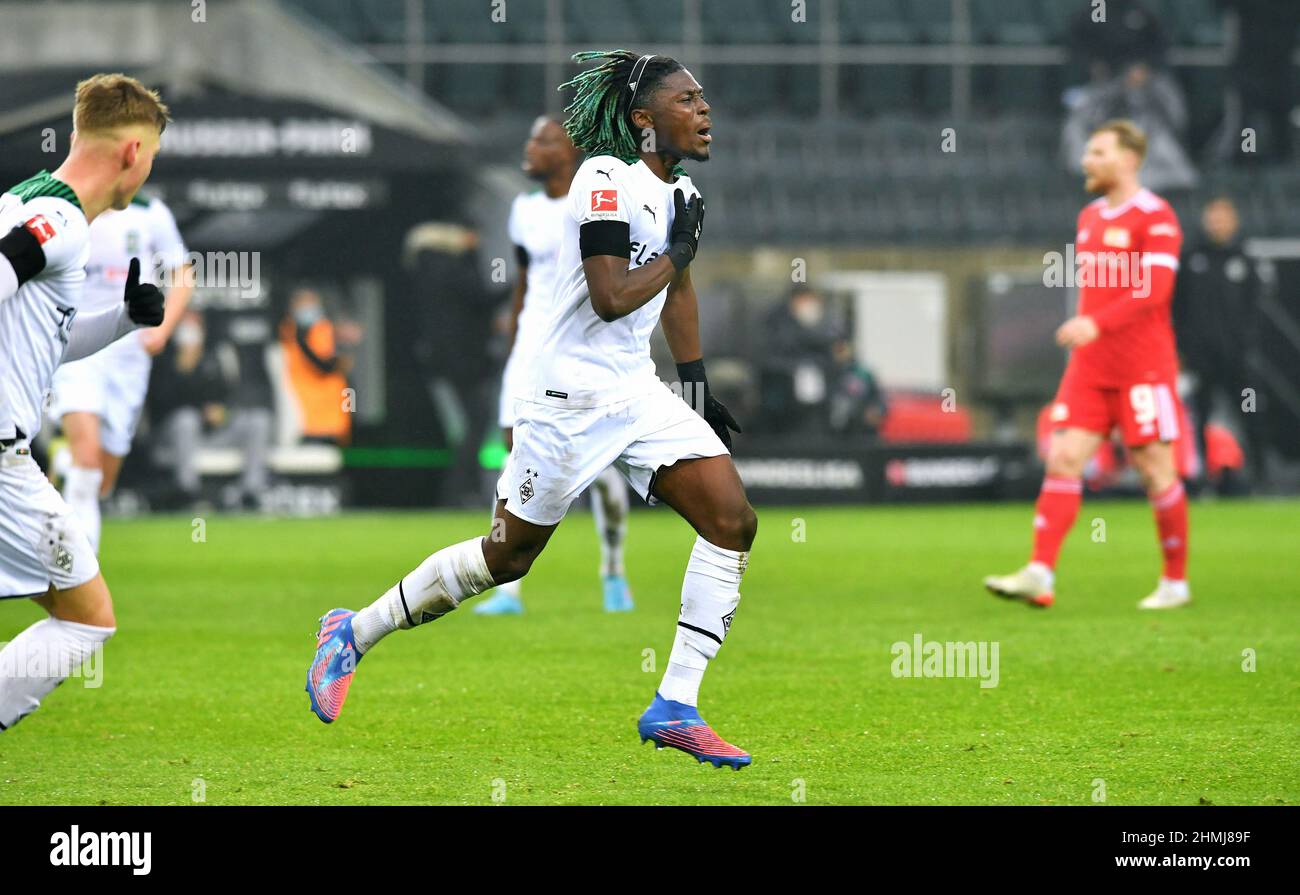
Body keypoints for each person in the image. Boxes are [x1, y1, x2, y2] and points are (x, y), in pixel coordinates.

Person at [306, 50, 757, 769]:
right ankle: (352, 632)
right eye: (689, 101)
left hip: (635, 391)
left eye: (704, 101)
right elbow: (611, 295)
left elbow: (679, 292)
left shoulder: (680, 194)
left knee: (732, 519)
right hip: (566, 398)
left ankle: (675, 703)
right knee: (505, 558)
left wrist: (696, 385)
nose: (705, 111)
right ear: (644, 118)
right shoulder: (603, 179)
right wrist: (676, 253)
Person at [0, 74, 168, 731]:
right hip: (4, 464)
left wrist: (123, 319)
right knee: (86, 616)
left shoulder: (21, 199)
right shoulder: (62, 221)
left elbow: (43, 345)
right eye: (151, 155)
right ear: (132, 153)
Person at [985, 120, 1191, 611]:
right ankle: (1040, 571)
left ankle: (1175, 581)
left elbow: (1154, 291)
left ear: (1129, 158)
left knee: (1154, 469)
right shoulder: (1090, 217)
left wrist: (1096, 323)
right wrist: (1088, 330)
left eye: (1098, 152)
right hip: (1090, 369)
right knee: (1063, 459)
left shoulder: (1156, 216)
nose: (1086, 161)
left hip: (1142, 369)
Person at [475, 115, 635, 616]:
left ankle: (612, 570)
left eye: (541, 140)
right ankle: (507, 590)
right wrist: (515, 333)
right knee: (513, 455)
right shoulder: (522, 209)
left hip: (580, 351)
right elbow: (525, 278)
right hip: (530, 351)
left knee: (601, 469)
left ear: (569, 151)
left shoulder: (592, 202)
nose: (530, 147)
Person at [48, 190, 192, 554]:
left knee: (102, 478)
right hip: (77, 347)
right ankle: (81, 570)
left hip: (128, 355)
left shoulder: (149, 211)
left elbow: (182, 272)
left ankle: (66, 465)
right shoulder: (63, 206)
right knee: (88, 461)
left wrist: (163, 328)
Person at [1174, 196, 1269, 486]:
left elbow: (1256, 308)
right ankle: (1202, 479)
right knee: (1199, 418)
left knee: (1250, 412)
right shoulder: (1191, 259)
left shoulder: (1245, 259)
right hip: (1200, 359)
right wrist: (1183, 349)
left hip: (1238, 358)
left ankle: (1260, 477)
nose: (1217, 223)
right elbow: (1178, 308)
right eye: (1213, 216)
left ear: (1234, 221)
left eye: (1223, 217)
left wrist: (1248, 345)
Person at [149, 308, 272, 509]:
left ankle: (251, 492)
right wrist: (183, 369)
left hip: (214, 432)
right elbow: (160, 403)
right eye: (185, 324)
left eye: (195, 325)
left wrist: (223, 411)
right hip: (175, 435)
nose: (190, 330)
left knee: (258, 420)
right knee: (186, 419)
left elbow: (230, 395)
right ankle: (188, 492)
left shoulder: (215, 356)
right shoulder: (163, 356)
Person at [759, 285, 843, 435]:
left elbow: (834, 355)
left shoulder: (826, 325)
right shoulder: (776, 324)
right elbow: (768, 358)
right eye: (804, 300)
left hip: (820, 407)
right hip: (785, 401)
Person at [280, 287, 353, 446]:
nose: (307, 309)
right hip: (299, 418)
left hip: (329, 420)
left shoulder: (328, 330)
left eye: (311, 303)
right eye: (303, 304)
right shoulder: (286, 331)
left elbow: (334, 365)